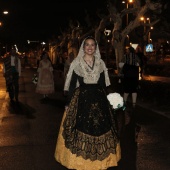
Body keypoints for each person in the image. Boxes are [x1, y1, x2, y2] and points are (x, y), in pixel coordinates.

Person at [54, 36, 121, 170]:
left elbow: (103, 84)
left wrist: (110, 99)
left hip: (99, 98)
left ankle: (100, 161)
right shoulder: (76, 63)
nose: (90, 48)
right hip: (82, 98)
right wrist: (68, 103)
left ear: (95, 48)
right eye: (87, 45)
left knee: (101, 127)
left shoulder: (100, 63)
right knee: (82, 126)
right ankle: (82, 162)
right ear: (83, 47)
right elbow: (73, 85)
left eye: (92, 45)